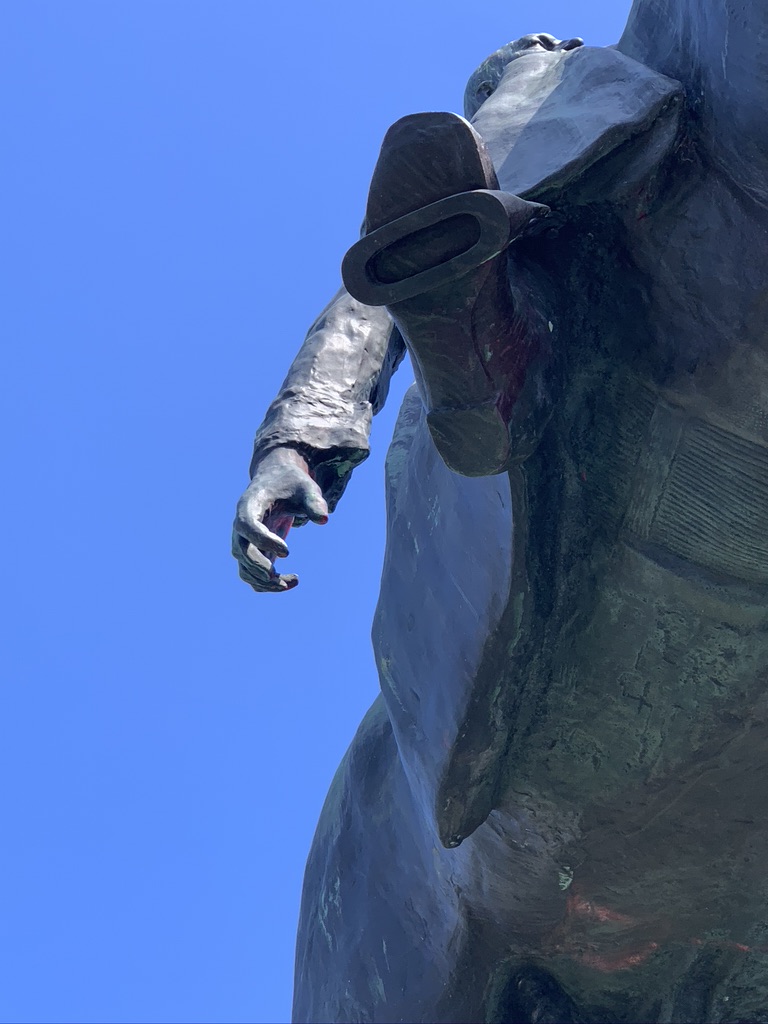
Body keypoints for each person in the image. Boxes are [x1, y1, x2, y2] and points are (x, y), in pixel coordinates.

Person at [233, 7, 768, 1022]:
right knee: (486, 195)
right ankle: (485, 349)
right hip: (552, 247)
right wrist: (305, 427)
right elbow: (366, 297)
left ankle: (485, 338)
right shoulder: (565, 82)